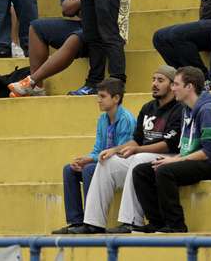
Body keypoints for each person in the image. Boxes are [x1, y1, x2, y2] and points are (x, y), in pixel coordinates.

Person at [78, 67, 183, 234]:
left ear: (172, 85)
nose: (154, 84)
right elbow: (136, 139)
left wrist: (137, 150)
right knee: (107, 161)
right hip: (143, 154)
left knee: (138, 159)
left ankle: (132, 221)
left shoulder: (179, 109)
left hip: (167, 156)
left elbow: (169, 144)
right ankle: (93, 222)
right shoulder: (148, 107)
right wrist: (115, 149)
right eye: (153, 79)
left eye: (160, 80)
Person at [133, 67, 211, 233]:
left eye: (176, 84)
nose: (173, 88)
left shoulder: (208, 110)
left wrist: (175, 160)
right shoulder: (187, 109)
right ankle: (157, 222)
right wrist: (177, 158)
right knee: (141, 171)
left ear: (190, 87)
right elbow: (188, 147)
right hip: (194, 158)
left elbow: (209, 152)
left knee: (164, 171)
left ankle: (176, 224)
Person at [52, 78, 136, 234]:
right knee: (69, 170)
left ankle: (92, 223)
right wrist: (86, 159)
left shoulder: (126, 119)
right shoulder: (103, 119)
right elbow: (98, 149)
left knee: (89, 170)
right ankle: (76, 221)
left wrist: (90, 160)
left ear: (116, 98)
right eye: (98, 96)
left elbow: (123, 153)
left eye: (103, 96)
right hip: (104, 163)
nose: (98, 100)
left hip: (120, 168)